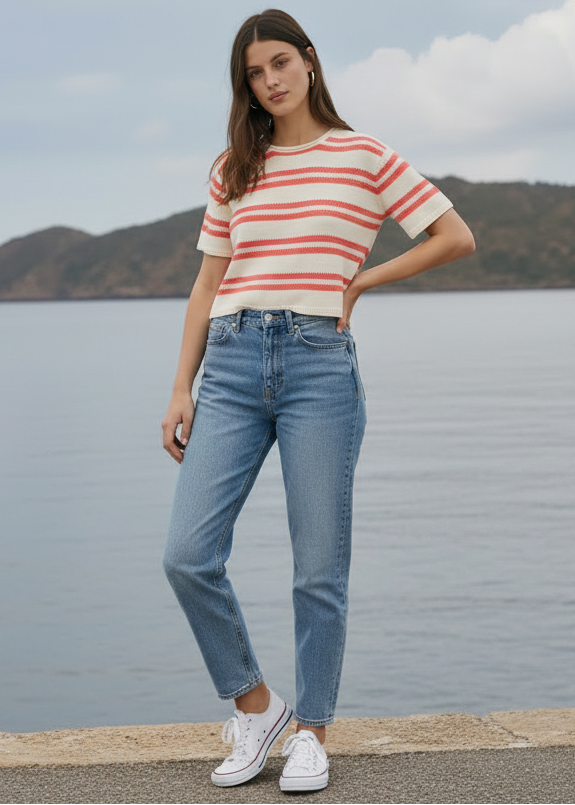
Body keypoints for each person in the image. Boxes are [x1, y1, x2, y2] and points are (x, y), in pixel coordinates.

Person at [162, 7, 475, 793]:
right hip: (230, 364)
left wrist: (361, 280)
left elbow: (453, 235)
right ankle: (256, 706)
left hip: (317, 367)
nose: (268, 81)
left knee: (317, 570)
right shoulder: (233, 167)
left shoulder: (362, 154)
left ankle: (312, 733)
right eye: (252, 74)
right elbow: (206, 283)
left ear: (307, 60)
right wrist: (179, 386)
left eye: (278, 63)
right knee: (187, 555)